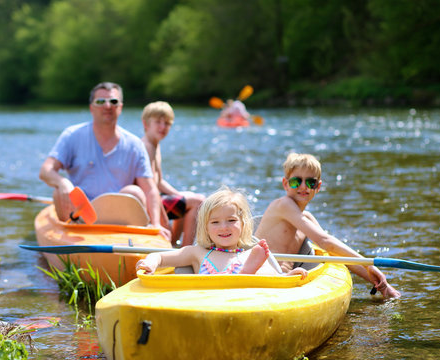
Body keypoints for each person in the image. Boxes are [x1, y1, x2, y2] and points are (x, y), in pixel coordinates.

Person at [255, 153, 401, 299]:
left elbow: (336, 254)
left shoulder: (307, 219)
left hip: (284, 278)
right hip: (261, 274)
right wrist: (369, 265)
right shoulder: (283, 205)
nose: (303, 186)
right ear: (286, 184)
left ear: (318, 186)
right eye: (296, 182)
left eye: (310, 182)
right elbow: (326, 242)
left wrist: (381, 284)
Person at [39, 82, 171, 241]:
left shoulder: (135, 144)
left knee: (135, 192)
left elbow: (150, 190)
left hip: (119, 220)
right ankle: (71, 239)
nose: (108, 106)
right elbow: (46, 170)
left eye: (113, 102)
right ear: (91, 108)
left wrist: (156, 223)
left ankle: (129, 244)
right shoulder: (72, 135)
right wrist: (62, 183)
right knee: (58, 191)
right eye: (100, 102)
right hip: (80, 216)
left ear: (120, 107)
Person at [136, 186, 308, 277]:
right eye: (215, 222)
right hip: (210, 303)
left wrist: (288, 277)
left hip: (242, 303)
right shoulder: (197, 252)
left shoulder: (252, 254)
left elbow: (275, 279)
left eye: (231, 221)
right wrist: (150, 262)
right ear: (206, 227)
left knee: (259, 272)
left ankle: (244, 277)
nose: (223, 227)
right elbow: (160, 256)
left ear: (243, 224)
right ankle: (242, 276)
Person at [141, 101, 205, 247]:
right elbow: (148, 186)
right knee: (198, 201)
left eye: (167, 123)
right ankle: (186, 249)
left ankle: (174, 245)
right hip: (147, 203)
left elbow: (159, 181)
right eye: (158, 122)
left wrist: (179, 196)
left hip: (155, 198)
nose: (163, 127)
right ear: (146, 124)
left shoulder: (155, 145)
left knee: (186, 200)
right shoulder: (146, 147)